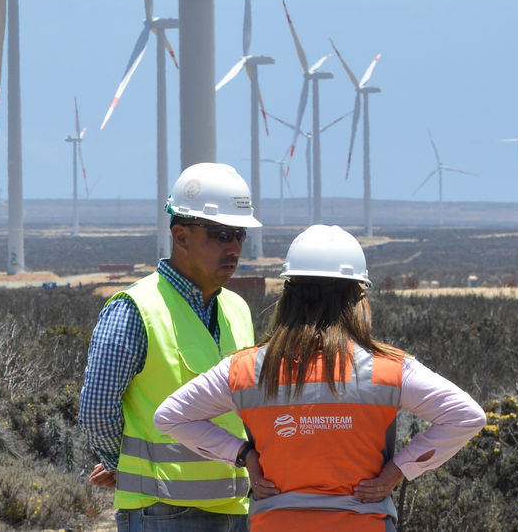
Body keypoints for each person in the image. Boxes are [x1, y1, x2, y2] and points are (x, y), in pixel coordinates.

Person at [154, 224, 485, 531]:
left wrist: (244, 456)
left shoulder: (246, 368)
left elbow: (170, 416)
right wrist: (398, 471)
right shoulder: (388, 367)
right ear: (357, 297)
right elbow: (467, 416)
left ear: (289, 294)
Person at [80, 162, 262, 530]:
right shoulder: (135, 309)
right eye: (220, 234)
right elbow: (97, 410)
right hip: (162, 513)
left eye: (239, 234)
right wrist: (125, 467)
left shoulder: (238, 309)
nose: (234, 247)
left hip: (236, 509)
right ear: (181, 236)